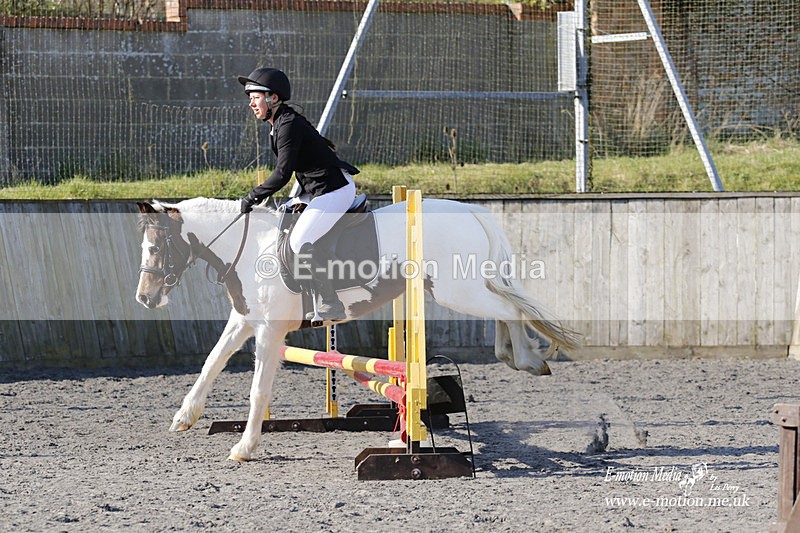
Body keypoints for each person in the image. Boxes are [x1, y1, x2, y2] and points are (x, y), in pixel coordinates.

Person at [238, 67, 359, 321]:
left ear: (273, 98)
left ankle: (331, 302)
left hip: (334, 189)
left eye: (255, 96)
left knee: (300, 241)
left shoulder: (288, 124)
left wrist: (253, 196)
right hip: (315, 190)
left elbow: (282, 174)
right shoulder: (279, 123)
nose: (251, 102)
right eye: (249, 96)